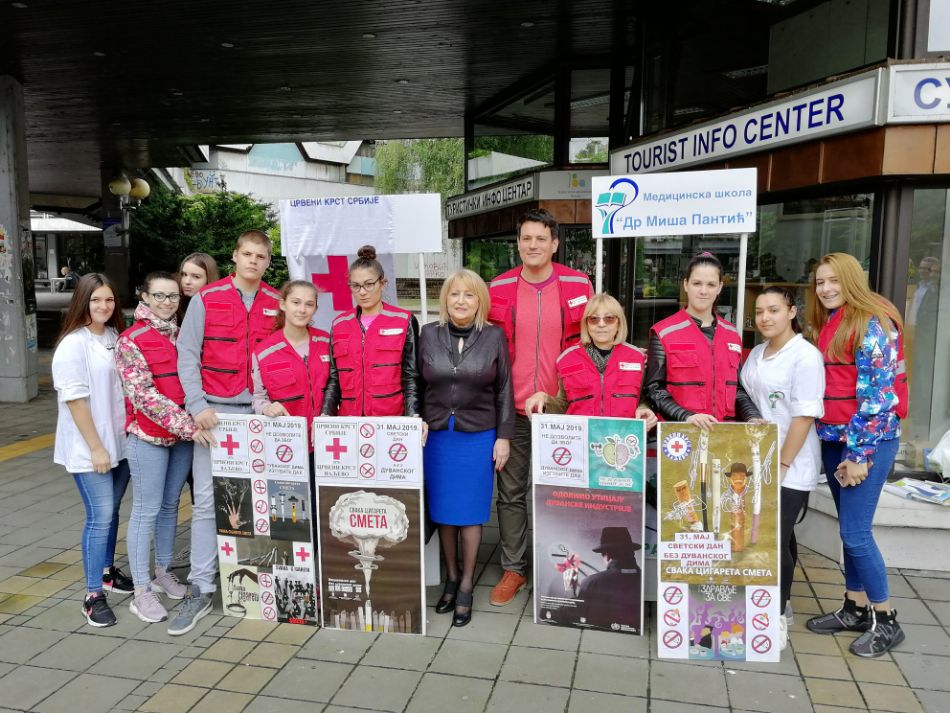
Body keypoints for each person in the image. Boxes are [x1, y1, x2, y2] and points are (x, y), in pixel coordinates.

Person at [171, 229, 280, 635]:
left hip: (258, 414)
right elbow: (187, 354)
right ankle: (200, 586)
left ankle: (257, 581)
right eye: (246, 254)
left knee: (256, 501)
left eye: (260, 256)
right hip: (214, 415)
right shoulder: (206, 298)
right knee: (203, 504)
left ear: (268, 262)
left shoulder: (275, 303)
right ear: (235, 256)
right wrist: (196, 407)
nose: (253, 261)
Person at [486, 208, 594, 606]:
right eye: (526, 238)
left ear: (554, 243)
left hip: (563, 410)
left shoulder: (578, 283)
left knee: (561, 492)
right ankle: (514, 568)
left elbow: (594, 338)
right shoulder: (497, 287)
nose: (532, 245)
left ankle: (565, 565)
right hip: (510, 409)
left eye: (540, 238)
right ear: (518, 243)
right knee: (511, 493)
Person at [804, 252, 908, 657]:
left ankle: (887, 618)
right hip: (835, 440)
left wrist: (860, 454)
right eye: (819, 282)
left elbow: (878, 399)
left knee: (855, 532)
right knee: (849, 528)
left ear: (851, 281)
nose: (826, 288)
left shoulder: (871, 324)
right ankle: (855, 607)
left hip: (866, 443)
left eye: (834, 281)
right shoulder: (834, 320)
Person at [115, 272, 214, 623]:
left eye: (173, 297)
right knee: (146, 510)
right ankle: (141, 589)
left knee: (172, 505)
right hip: (149, 439)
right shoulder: (131, 340)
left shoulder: (183, 332)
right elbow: (143, 395)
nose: (167, 303)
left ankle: (163, 572)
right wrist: (189, 426)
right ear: (144, 296)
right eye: (159, 296)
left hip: (182, 441)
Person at [418, 269, 514, 627]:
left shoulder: (493, 337)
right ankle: (450, 578)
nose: (461, 300)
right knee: (444, 512)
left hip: (478, 436)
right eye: (455, 294)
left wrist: (504, 436)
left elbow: (504, 388)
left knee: (471, 513)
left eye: (469, 295)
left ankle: (467, 585)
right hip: (438, 435)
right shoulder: (428, 334)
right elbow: (413, 379)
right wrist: (416, 417)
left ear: (480, 301)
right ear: (445, 299)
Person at [740, 286, 825, 650]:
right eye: (759, 311)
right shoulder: (758, 352)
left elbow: (804, 416)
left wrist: (783, 463)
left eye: (774, 310)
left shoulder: (805, 356)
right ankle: (781, 605)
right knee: (782, 534)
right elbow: (746, 396)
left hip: (791, 460)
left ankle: (775, 614)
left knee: (773, 537)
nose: (765, 318)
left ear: (792, 312)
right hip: (760, 459)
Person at [52, 273, 133, 627]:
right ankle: (92, 595)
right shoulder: (73, 344)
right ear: (83, 301)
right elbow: (75, 401)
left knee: (113, 511)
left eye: (109, 300)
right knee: (100, 516)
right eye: (96, 300)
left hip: (121, 443)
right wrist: (97, 448)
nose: (103, 306)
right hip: (91, 449)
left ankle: (106, 571)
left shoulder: (116, 337)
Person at [644, 251, 761, 427]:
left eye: (711, 284)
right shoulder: (663, 332)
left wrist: (752, 416)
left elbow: (737, 389)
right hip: (680, 436)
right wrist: (687, 416)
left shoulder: (732, 334)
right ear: (686, 285)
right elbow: (654, 389)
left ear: (720, 287)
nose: (704, 291)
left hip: (724, 434)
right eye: (697, 283)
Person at [524, 293, 657, 427]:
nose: (601, 324)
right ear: (586, 324)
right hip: (580, 439)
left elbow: (642, 399)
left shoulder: (637, 357)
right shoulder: (567, 359)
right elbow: (564, 406)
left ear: (619, 323)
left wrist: (644, 409)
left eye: (609, 319)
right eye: (594, 319)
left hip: (622, 439)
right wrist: (545, 399)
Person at [321, 245, 420, 419]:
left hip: (391, 421)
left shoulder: (404, 320)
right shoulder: (339, 324)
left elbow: (411, 376)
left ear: (382, 283)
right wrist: (326, 414)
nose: (362, 292)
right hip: (350, 421)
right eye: (356, 286)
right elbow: (334, 378)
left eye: (369, 284)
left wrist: (414, 416)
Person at [252, 280, 330, 432]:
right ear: (283, 304)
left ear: (315, 309)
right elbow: (258, 397)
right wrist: (267, 407)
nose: (302, 310)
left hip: (327, 440)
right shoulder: (263, 352)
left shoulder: (327, 342)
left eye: (309, 304)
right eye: (296, 302)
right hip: (287, 441)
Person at [576, 527, 642, 631]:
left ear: (607, 555)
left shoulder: (591, 583)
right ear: (631, 553)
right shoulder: (644, 579)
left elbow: (577, 615)